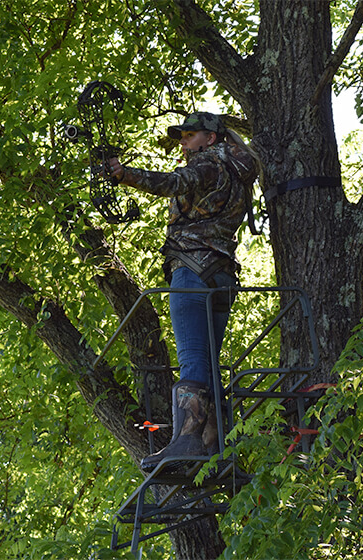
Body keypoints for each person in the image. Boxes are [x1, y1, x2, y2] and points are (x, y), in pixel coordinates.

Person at [106, 112, 259, 472]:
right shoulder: (238, 172)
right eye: (182, 137)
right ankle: (217, 452)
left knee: (193, 359)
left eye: (190, 135)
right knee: (208, 366)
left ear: (211, 137)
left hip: (192, 272)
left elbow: (173, 183)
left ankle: (187, 441)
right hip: (221, 277)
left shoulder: (208, 165)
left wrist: (122, 173)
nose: (184, 142)